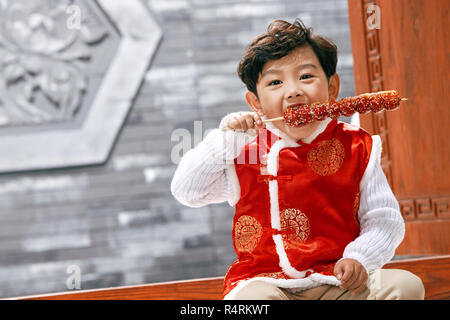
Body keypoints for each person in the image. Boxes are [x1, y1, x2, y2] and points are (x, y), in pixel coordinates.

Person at [170, 18, 425, 300]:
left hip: (338, 281)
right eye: (276, 82)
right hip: (268, 285)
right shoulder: (244, 149)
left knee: (405, 285)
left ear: (332, 88)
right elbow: (187, 191)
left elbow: (383, 219)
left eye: (306, 76)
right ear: (256, 103)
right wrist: (224, 140)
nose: (293, 91)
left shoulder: (357, 146)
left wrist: (360, 258)